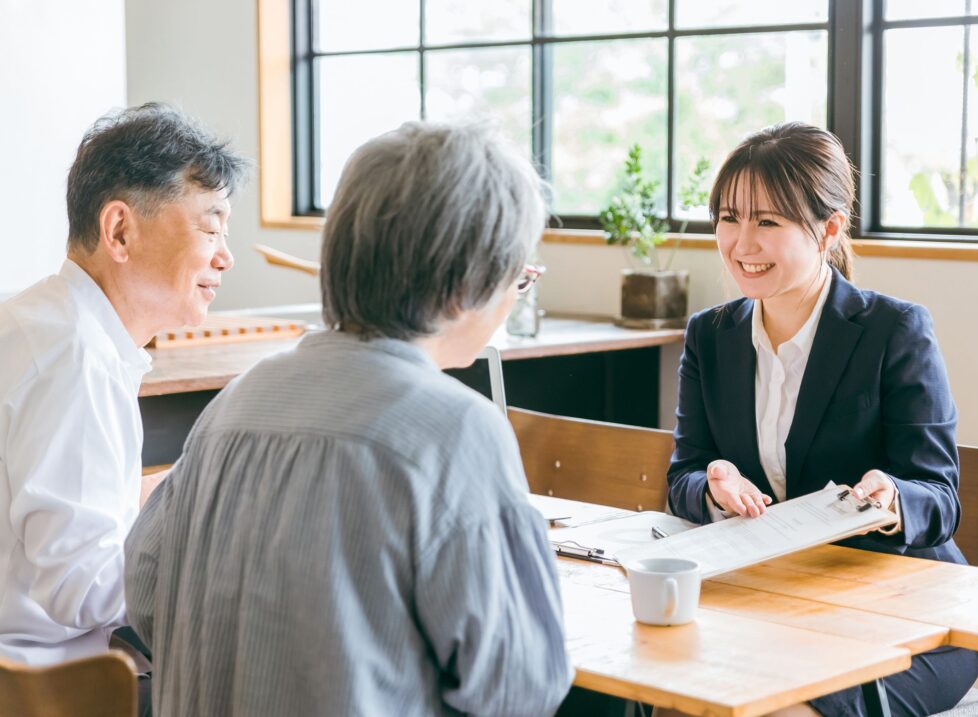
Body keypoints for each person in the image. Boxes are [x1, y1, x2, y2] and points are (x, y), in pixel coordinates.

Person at [124, 121, 574, 716]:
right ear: (467, 283)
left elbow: (147, 593)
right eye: (518, 275)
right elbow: (519, 685)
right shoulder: (456, 429)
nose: (515, 294)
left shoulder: (235, 403)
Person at [666, 122, 978, 717]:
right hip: (773, 601)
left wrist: (891, 497)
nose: (741, 243)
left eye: (768, 222)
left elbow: (939, 497)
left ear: (829, 229)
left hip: (906, 611)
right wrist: (714, 488)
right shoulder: (710, 336)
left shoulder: (894, 330)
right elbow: (682, 474)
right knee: (674, 697)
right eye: (729, 218)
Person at [0, 102, 246, 671]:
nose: (226, 256)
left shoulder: (44, 320)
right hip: (45, 688)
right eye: (210, 227)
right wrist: (222, 552)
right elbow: (81, 588)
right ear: (119, 231)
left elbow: (78, 509)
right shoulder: (76, 360)